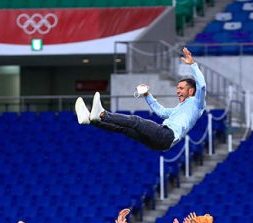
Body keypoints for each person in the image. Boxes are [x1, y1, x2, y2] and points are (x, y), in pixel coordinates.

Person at [75, 47, 206, 152]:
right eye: (177, 88)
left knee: (135, 121)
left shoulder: (197, 103)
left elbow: (202, 85)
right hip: (162, 144)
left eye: (181, 88)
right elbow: (161, 112)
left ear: (191, 91)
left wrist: (193, 65)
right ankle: (91, 120)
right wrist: (147, 95)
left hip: (166, 136)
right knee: (125, 129)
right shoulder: (179, 109)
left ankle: (103, 114)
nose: (177, 91)